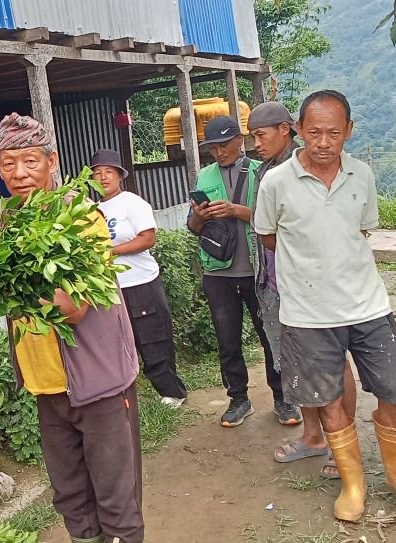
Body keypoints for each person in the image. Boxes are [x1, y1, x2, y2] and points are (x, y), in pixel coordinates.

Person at [0, 114, 145, 543]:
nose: (18, 173)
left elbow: (72, 308)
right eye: (8, 163)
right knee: (72, 498)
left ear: (52, 161)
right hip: (47, 386)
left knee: (115, 501)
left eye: (29, 161)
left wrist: (1, 292)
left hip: (98, 386)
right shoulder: (8, 222)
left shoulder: (81, 218)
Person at [253, 90, 396, 521]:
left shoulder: (361, 175)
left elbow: (361, 231)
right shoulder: (275, 182)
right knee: (330, 401)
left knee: (393, 396)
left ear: (349, 131)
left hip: (368, 307)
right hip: (308, 315)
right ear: (298, 130)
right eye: (315, 132)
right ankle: (353, 486)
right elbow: (267, 235)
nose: (324, 142)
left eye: (334, 133)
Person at [248, 102, 358, 479]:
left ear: (286, 129)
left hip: (315, 287)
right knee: (297, 364)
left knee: (333, 362)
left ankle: (344, 444)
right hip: (275, 285)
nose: (255, 143)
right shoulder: (267, 171)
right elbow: (265, 231)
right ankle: (313, 437)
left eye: (260, 135)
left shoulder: (315, 170)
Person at [186, 116, 299, 428]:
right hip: (217, 272)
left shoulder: (261, 171)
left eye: (224, 145)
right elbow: (192, 227)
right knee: (227, 340)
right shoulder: (204, 176)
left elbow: (275, 220)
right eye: (213, 148)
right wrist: (200, 217)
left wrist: (236, 211)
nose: (219, 152)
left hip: (258, 271)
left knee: (271, 336)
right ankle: (238, 399)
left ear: (240, 140)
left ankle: (283, 398)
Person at [91, 148, 189, 409]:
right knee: (116, 342)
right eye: (97, 173)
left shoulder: (132, 203)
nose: (103, 177)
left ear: (119, 175)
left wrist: (110, 252)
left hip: (140, 283)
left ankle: (172, 392)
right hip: (110, 288)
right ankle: (123, 396)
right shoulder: (91, 210)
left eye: (108, 172)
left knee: (153, 338)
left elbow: (148, 239)